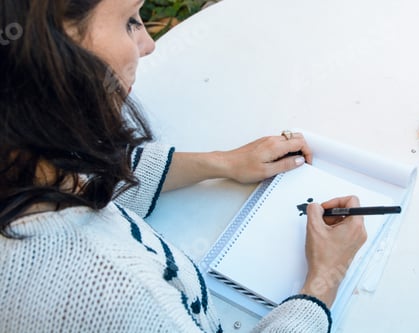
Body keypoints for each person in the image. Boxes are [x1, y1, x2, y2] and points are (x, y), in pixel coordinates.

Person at [0, 0, 367, 332]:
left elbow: (89, 177)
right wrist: (321, 284)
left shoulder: (24, 153)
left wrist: (223, 164)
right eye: (129, 21)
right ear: (48, 49)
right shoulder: (109, 293)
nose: (148, 44)